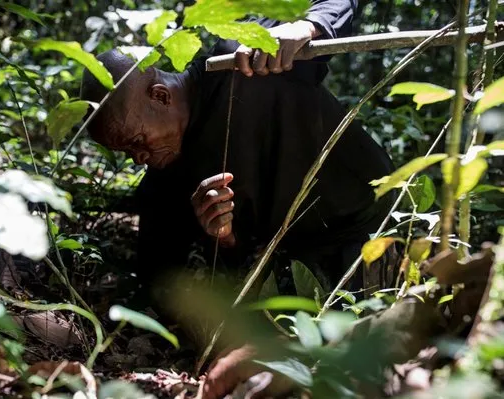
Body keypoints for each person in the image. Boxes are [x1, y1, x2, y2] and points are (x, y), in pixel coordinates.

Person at [81, 1, 396, 397]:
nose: (140, 158)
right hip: (300, 261)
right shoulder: (164, 178)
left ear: (160, 96)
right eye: (128, 154)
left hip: (372, 221)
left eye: (136, 142)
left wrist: (307, 27)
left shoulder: (238, 57)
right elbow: (161, 278)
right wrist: (223, 239)